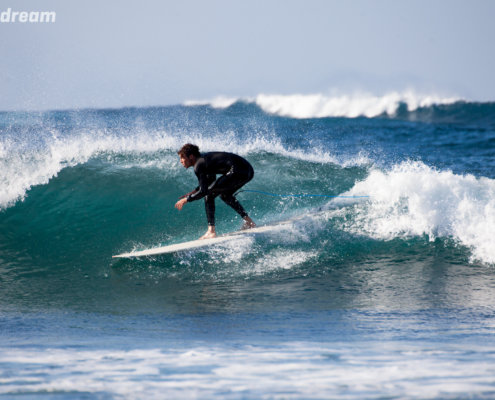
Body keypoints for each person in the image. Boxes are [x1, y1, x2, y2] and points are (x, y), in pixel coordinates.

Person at [175, 143, 256, 239]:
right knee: (225, 195)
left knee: (209, 195)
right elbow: (211, 179)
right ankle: (249, 221)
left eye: (182, 158)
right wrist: (194, 191)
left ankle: (211, 231)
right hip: (247, 171)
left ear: (191, 156)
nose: (181, 161)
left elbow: (204, 191)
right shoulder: (204, 160)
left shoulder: (198, 165)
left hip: (237, 171)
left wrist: (186, 200)